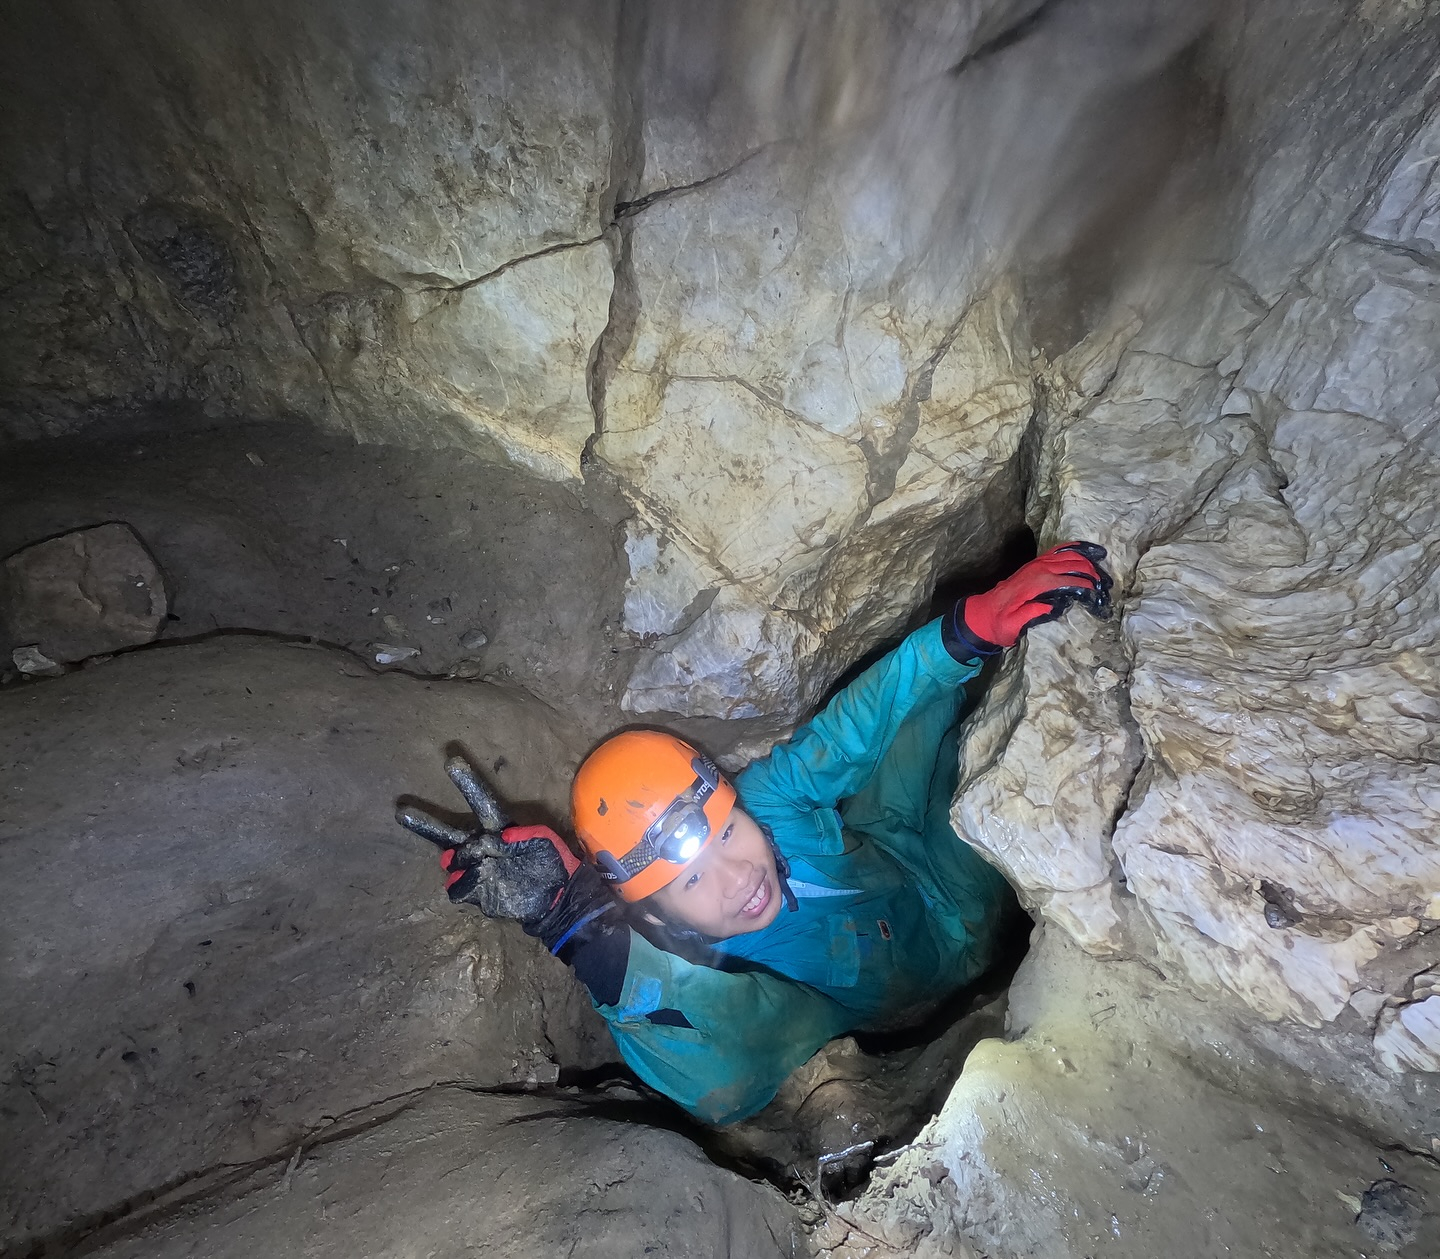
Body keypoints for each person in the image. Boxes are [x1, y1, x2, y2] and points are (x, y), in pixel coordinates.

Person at [397, 542, 1112, 1124]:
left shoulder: (767, 801)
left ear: (735, 801)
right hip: (930, 966)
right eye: (691, 880)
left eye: (727, 832)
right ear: (655, 915)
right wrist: (577, 928)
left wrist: (966, 630)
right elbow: (723, 1074)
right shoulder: (733, 975)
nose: (738, 875)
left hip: (901, 841)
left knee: (933, 702)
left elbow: (848, 731)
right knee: (1000, 797)